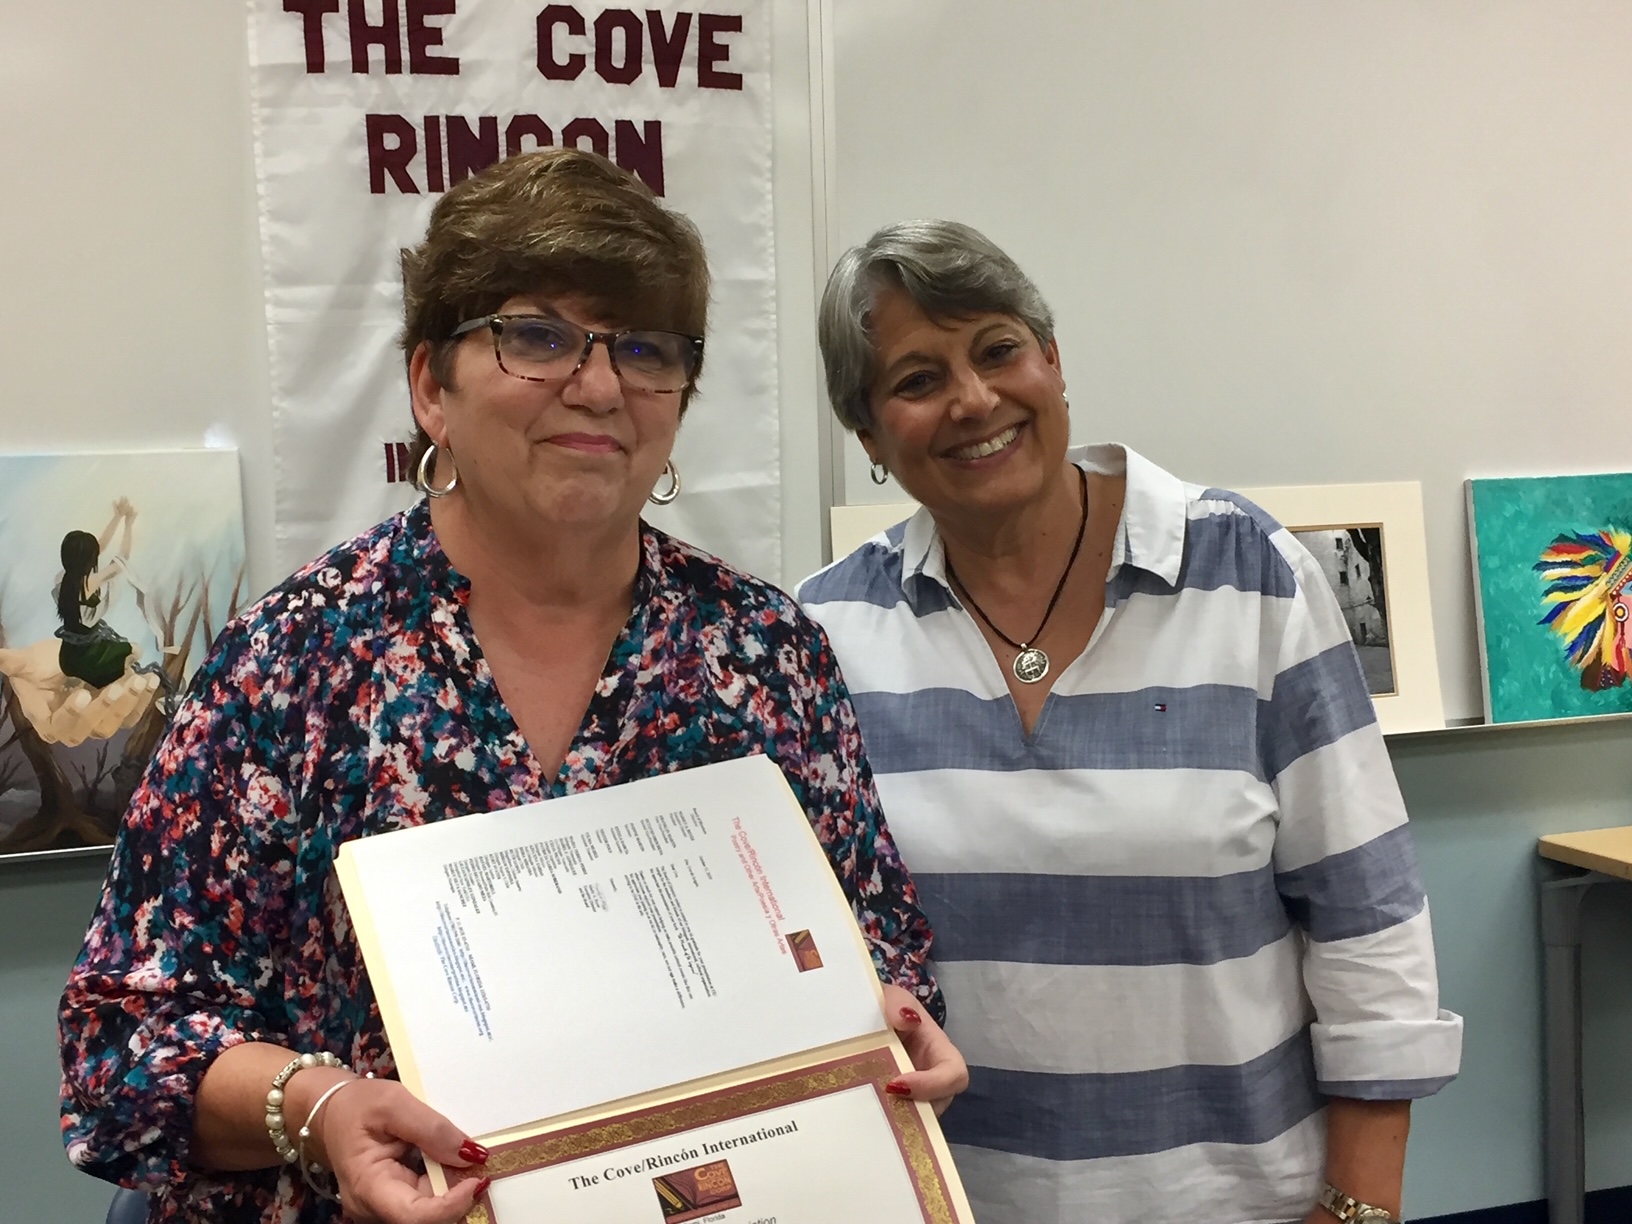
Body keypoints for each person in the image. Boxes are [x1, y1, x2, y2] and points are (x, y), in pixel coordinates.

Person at [59, 150, 964, 1224]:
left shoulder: (766, 652)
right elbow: (124, 1046)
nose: (600, 386)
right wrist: (320, 1107)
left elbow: (880, 945)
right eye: (537, 336)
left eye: (645, 349)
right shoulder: (296, 659)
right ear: (430, 387)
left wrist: (886, 1029)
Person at [797, 220, 1463, 1224]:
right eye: (918, 379)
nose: (973, 400)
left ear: (1054, 361)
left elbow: (1368, 917)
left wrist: (1358, 1208)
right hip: (949, 1203)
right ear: (868, 437)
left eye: (998, 349)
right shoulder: (823, 631)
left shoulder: (1249, 575)